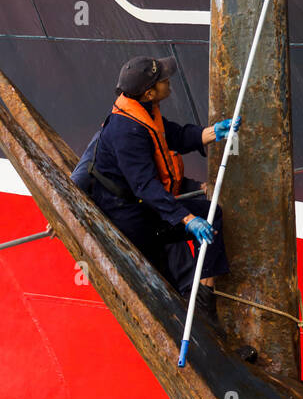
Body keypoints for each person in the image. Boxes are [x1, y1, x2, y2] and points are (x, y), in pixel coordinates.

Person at [71, 55, 240, 320]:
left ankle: (201, 298)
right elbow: (146, 187)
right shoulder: (127, 132)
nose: (168, 81)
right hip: (129, 217)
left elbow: (175, 135)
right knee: (206, 220)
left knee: (205, 221)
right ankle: (202, 306)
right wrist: (187, 219)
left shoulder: (144, 112)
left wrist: (212, 133)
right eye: (163, 79)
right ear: (149, 93)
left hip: (143, 206)